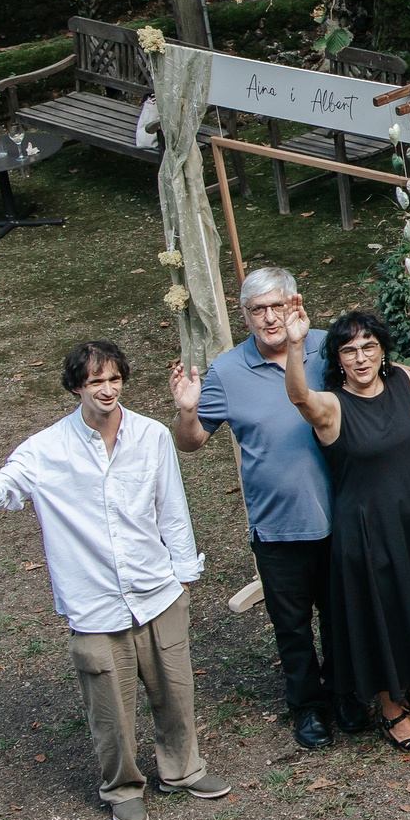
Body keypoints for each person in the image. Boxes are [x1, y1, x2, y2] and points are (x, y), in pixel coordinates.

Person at [0, 343, 229, 820]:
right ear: (77, 386)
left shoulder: (152, 436)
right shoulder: (45, 450)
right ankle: (122, 788)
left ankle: (183, 771)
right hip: (94, 605)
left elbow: (172, 508)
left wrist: (182, 578)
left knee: (176, 694)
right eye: (97, 381)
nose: (107, 389)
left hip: (158, 592)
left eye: (115, 379)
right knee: (110, 712)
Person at [279, 307, 410, 754]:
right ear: (338, 360)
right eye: (349, 351)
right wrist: (292, 345)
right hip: (368, 529)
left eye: (368, 347)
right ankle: (391, 708)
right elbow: (298, 397)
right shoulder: (330, 404)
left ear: (382, 350)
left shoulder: (404, 381)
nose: (361, 358)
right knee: (385, 611)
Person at [170, 267, 339, 750]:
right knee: (292, 626)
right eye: (256, 310)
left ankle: (347, 694)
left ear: (296, 302)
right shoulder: (227, 370)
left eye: (276, 306)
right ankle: (307, 707)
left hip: (343, 511)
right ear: (244, 314)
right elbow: (192, 443)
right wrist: (186, 411)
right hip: (278, 523)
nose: (268, 319)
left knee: (343, 612)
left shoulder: (329, 348)